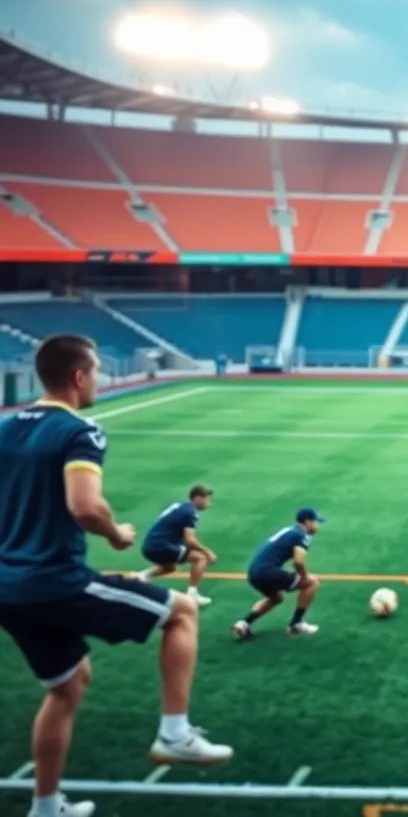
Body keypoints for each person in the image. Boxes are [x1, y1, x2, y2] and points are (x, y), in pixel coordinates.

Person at [0, 335, 232, 817]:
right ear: (79, 377)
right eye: (97, 371)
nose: (100, 380)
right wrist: (116, 532)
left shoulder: (4, 429)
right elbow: (84, 506)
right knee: (182, 612)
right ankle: (175, 733)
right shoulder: (81, 431)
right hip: (53, 581)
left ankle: (46, 808)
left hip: (9, 587)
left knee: (66, 687)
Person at [231, 508, 325, 640]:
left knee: (276, 598)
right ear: (307, 522)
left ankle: (244, 623)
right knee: (312, 582)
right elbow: (298, 562)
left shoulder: (289, 530)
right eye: (316, 522)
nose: (317, 525)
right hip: (268, 572)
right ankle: (296, 625)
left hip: (254, 572)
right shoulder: (301, 536)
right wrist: (304, 578)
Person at [134, 485, 218, 605]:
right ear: (198, 498)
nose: (209, 503)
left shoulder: (179, 505)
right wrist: (207, 551)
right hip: (162, 546)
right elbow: (190, 540)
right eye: (207, 499)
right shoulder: (190, 512)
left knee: (170, 567)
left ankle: (141, 577)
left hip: (151, 544)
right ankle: (192, 595)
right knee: (200, 558)